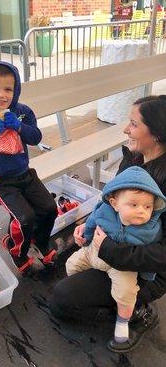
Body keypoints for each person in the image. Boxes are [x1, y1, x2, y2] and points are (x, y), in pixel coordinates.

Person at [49, 95, 166, 353]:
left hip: (145, 270)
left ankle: (137, 313)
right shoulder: (133, 159)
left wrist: (108, 249)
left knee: (60, 301)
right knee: (64, 264)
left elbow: (162, 256)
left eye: (133, 124)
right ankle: (117, 299)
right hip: (112, 246)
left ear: (156, 134)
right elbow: (109, 202)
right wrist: (87, 227)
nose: (126, 129)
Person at [0, 61, 58, 273]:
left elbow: (36, 137)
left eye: (8, 89)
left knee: (50, 208)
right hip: (0, 180)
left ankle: (40, 240)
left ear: (16, 91)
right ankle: (16, 250)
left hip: (25, 173)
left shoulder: (22, 112)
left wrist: (20, 126)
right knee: (25, 218)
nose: (1, 95)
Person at [65, 166, 166, 346]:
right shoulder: (105, 211)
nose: (142, 211)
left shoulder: (152, 230)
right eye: (134, 205)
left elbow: (154, 256)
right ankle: (85, 287)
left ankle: (123, 320)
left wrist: (146, 277)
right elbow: (92, 221)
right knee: (71, 264)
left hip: (123, 266)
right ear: (114, 204)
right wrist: (84, 236)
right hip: (94, 253)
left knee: (126, 293)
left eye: (148, 206)